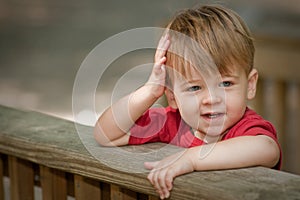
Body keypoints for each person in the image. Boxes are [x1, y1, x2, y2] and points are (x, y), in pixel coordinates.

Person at [94, 4, 281, 199]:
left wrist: (192, 159)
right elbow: (104, 134)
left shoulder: (246, 129)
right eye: (194, 87)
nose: (212, 99)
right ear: (173, 97)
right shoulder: (172, 123)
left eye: (226, 83)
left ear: (250, 85)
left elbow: (267, 149)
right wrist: (151, 90)